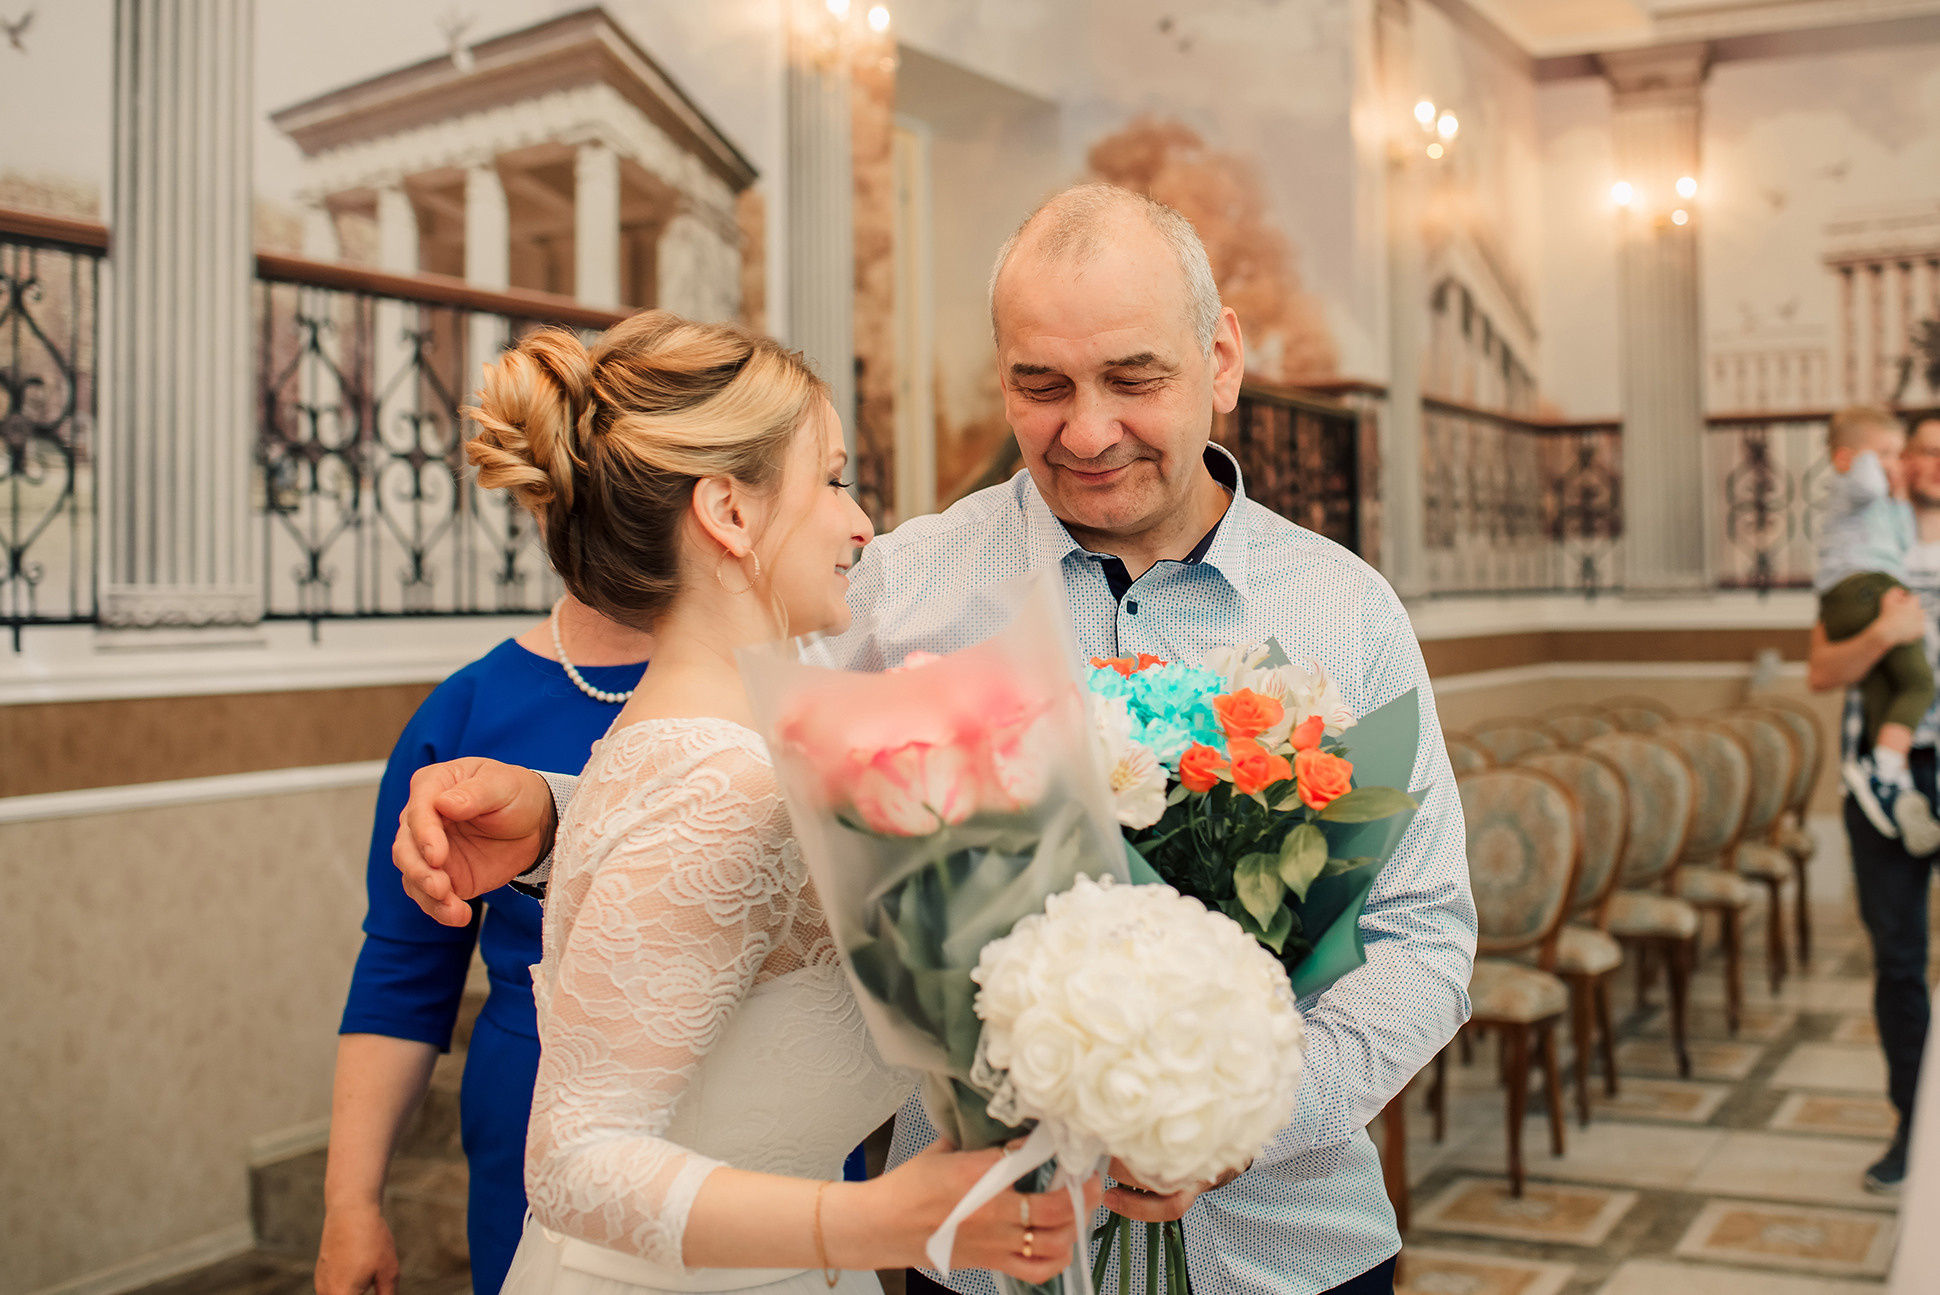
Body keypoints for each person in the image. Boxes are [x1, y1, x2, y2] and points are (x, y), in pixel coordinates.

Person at [393, 185, 1476, 1295]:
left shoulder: (1347, 613)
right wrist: (552, 815)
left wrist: (1248, 1114)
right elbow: (751, 808)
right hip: (970, 1261)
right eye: (1040, 385)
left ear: (1221, 358)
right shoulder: (892, 585)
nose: (1087, 429)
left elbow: (1422, 934)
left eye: (1134, 379)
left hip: (1284, 1253)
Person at [461, 310, 1094, 1295]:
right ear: (729, 511)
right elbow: (574, 1160)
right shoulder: (720, 782)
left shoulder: (719, 748)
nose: (861, 523)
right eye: (834, 479)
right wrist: (875, 1218)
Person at [317, 593, 652, 1295]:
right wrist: (351, 1200)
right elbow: (405, 969)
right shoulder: (469, 708)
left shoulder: (788, 672)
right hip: (532, 1127)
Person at [1808, 412, 1940, 1195]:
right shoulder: (1869, 542)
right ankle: (1912, 1128)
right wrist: (1885, 634)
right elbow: (1823, 670)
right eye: (1918, 449)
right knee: (1899, 962)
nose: (1926, 462)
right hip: (1881, 779)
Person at [1819, 405, 1940, 854]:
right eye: (1928, 451)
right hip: (1880, 767)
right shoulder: (1866, 558)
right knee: (1894, 925)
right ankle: (1887, 776)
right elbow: (1822, 674)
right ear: (1900, 459)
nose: (1939, 464)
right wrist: (1884, 633)